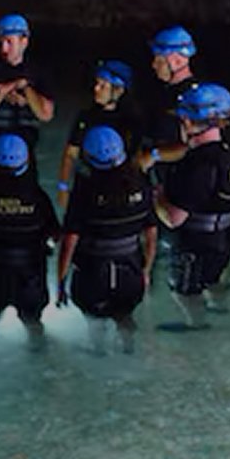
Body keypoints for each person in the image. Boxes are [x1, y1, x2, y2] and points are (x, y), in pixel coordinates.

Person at [56, 125, 158, 354]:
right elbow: (151, 232)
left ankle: (99, 352)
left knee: (95, 320)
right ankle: (129, 352)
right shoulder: (140, 182)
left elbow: (70, 240)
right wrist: (146, 270)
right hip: (130, 268)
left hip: (92, 272)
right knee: (125, 315)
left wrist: (61, 281)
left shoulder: (84, 189)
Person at [154, 83, 230, 331]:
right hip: (228, 232)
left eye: (183, 118)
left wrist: (157, 197)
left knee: (184, 290)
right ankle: (219, 305)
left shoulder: (197, 166)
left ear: (191, 122)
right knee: (214, 277)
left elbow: (174, 219)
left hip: (199, 242)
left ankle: (196, 325)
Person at [0, 132, 60, 350]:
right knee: (33, 324)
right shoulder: (38, 197)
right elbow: (54, 233)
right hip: (30, 271)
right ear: (26, 161)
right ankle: (39, 361)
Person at [0, 13, 55, 178]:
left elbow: (45, 115)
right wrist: (2, 93)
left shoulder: (37, 73)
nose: (3, 48)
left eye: (9, 42)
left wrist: (25, 89)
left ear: (24, 41)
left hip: (25, 154)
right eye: (1, 42)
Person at [55, 59, 141, 209]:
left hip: (119, 187)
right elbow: (70, 154)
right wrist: (63, 187)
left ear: (119, 90)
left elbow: (137, 158)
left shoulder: (130, 122)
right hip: (88, 184)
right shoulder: (87, 117)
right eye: (97, 83)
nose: (96, 88)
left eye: (103, 85)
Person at [134, 25, 197, 178]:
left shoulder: (194, 98)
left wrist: (153, 156)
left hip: (182, 183)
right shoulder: (162, 92)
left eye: (159, 60)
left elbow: (195, 145)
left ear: (176, 61)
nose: (154, 65)